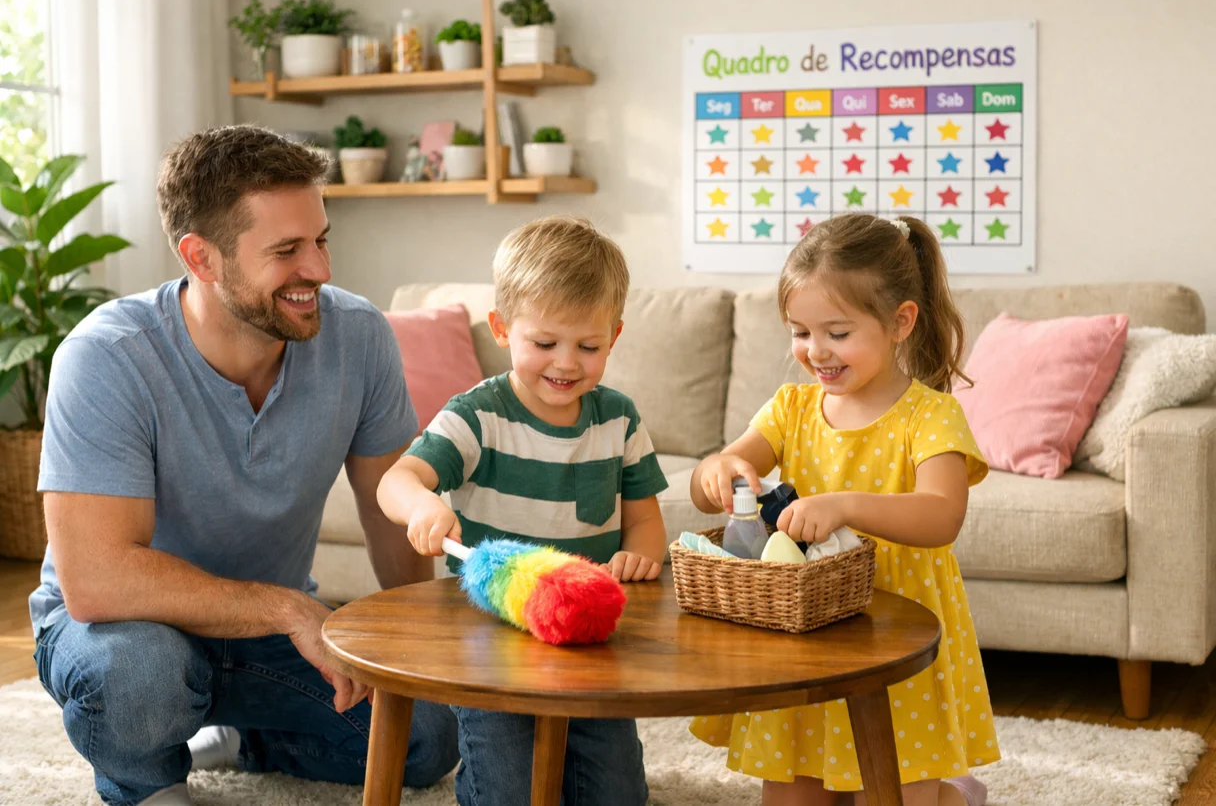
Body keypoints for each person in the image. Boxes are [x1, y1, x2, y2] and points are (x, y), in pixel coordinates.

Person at [29, 125, 459, 806]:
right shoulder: (107, 355)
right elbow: (96, 580)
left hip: (265, 641)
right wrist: (288, 607)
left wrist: (416, 651)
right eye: (286, 251)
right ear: (201, 257)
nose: (318, 269)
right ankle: (145, 779)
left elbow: (390, 512)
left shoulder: (360, 336)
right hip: (122, 632)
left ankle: (241, 739)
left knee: (428, 734)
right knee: (139, 677)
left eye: (321, 239)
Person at [687, 214, 998, 806]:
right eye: (800, 332)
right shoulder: (791, 408)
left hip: (896, 634)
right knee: (793, 788)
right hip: (810, 637)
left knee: (892, 787)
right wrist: (719, 471)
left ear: (900, 321)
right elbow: (714, 481)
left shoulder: (929, 416)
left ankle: (956, 797)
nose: (815, 352)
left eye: (836, 332)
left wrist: (844, 506)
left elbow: (942, 516)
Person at [377, 216, 669, 805]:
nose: (566, 363)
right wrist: (422, 506)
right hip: (492, 637)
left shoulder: (619, 419)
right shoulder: (477, 415)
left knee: (617, 793)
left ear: (612, 337)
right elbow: (397, 479)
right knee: (506, 786)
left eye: (588, 347)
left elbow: (643, 519)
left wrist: (641, 556)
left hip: (589, 636)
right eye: (544, 344)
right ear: (502, 328)